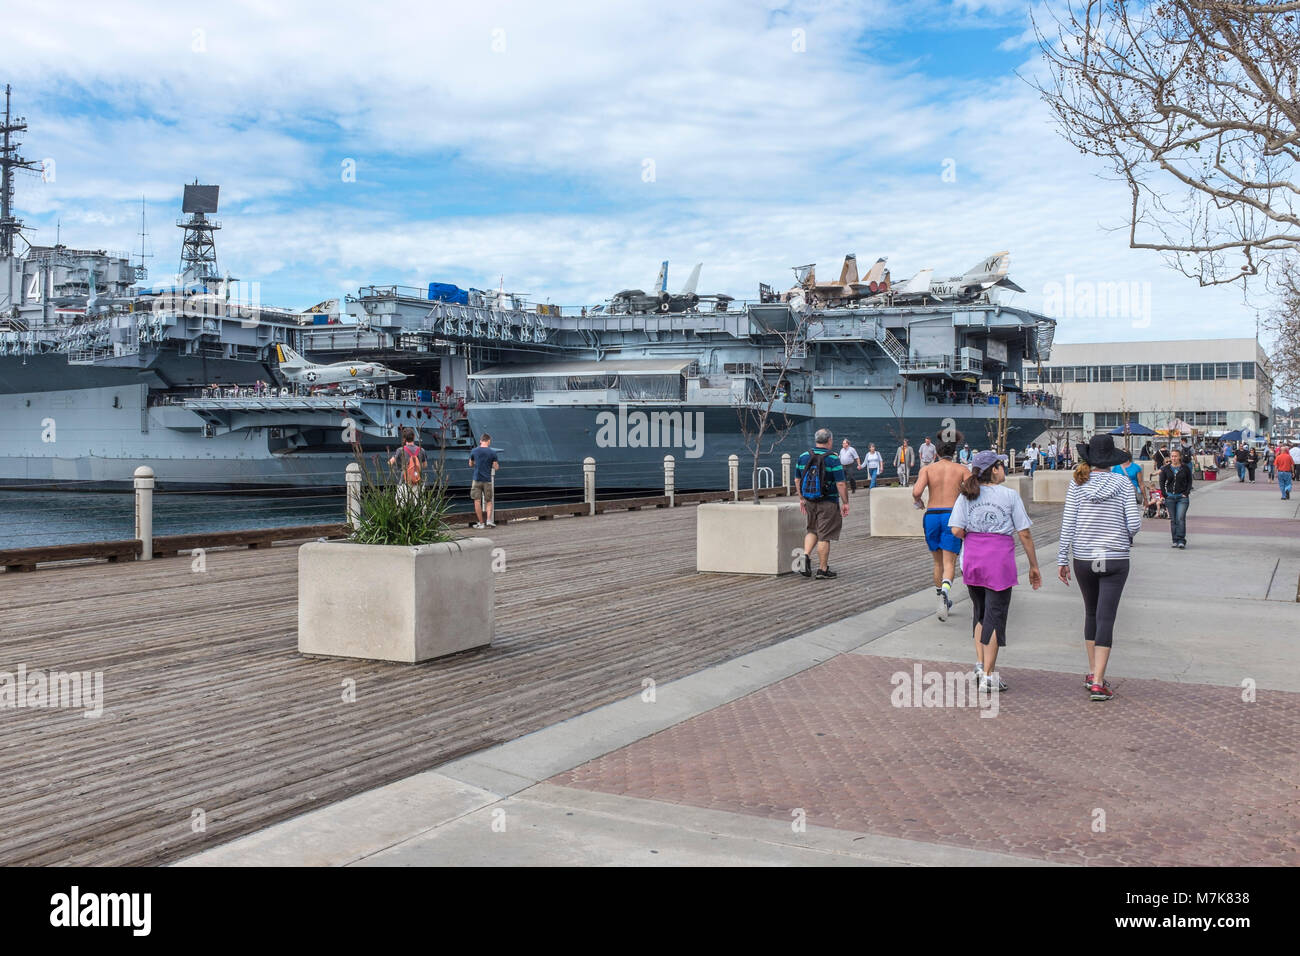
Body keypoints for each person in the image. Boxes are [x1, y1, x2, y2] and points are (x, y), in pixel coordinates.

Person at [948, 451, 1042, 693]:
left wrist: (974, 535)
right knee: (995, 616)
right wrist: (1034, 565)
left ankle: (980, 665)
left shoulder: (967, 495)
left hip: (972, 559)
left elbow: (956, 530)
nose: (1005, 469)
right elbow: (1024, 533)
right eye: (1002, 465)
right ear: (995, 469)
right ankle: (989, 676)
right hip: (998, 560)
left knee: (979, 613)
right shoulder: (1009, 496)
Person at [1057, 435, 1142, 702]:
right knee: (1107, 617)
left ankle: (1094, 671)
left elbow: (1068, 522)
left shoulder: (1078, 483)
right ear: (1111, 459)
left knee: (1091, 613)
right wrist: (1125, 535)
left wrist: (1062, 558)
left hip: (1084, 557)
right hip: (1115, 557)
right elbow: (1134, 523)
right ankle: (1098, 681)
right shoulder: (1123, 483)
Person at [912, 435, 969, 622]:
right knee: (949, 563)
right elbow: (973, 490)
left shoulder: (927, 469)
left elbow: (917, 492)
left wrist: (918, 502)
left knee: (937, 563)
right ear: (954, 452)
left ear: (936, 452)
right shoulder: (961, 469)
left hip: (932, 515)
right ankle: (946, 592)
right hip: (952, 515)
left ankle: (940, 597)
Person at [795, 428, 849, 580]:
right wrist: (845, 502)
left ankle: (804, 556)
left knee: (812, 530)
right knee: (824, 536)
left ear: (816, 440)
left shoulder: (803, 456)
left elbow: (797, 480)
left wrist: (801, 498)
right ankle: (822, 570)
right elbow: (841, 484)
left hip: (809, 500)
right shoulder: (833, 458)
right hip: (828, 501)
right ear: (830, 440)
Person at [1159, 447, 1194, 549]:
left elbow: (1189, 481)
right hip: (1170, 497)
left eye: (1175, 456)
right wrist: (1164, 494)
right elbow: (1161, 481)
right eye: (1172, 456)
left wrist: (1186, 493)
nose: (1173, 458)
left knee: (1180, 518)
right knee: (1173, 519)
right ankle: (1175, 540)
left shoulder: (1185, 468)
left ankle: (1181, 540)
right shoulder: (1166, 468)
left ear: (1180, 457)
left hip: (1182, 497)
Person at [468, 433, 499, 529]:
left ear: (481, 441)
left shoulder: (474, 451)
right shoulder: (493, 452)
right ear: (489, 441)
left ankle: (481, 523)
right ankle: (489, 520)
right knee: (488, 501)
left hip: (476, 479)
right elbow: (496, 467)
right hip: (487, 480)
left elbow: (470, 464)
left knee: (477, 501)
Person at [387, 427, 427, 504]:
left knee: (401, 504)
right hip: (417, 481)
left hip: (404, 481)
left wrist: (393, 458)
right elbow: (424, 465)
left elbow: (390, 463)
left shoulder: (400, 450)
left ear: (404, 438)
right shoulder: (421, 450)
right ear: (414, 437)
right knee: (419, 504)